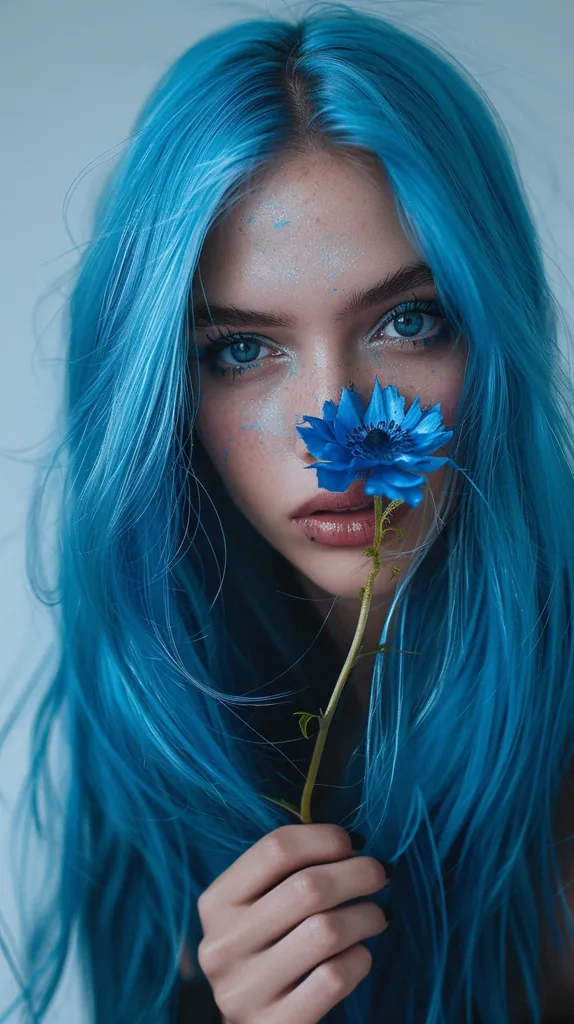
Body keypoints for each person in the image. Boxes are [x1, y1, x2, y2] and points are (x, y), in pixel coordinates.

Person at [4, 3, 574, 1022]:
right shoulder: (158, 708)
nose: (334, 427)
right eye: (241, 349)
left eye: (410, 320)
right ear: (163, 393)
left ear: (495, 330)